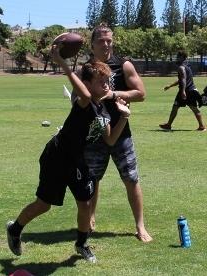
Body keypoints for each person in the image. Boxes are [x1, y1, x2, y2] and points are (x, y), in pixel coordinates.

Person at [6, 43, 131, 263]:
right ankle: (15, 229)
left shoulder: (103, 111)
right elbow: (82, 91)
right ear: (88, 85)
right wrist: (62, 63)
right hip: (56, 156)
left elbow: (110, 139)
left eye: (107, 81)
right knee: (44, 204)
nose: (107, 85)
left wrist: (123, 116)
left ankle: (81, 244)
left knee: (85, 203)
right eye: (101, 82)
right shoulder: (84, 102)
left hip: (77, 160)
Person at [72, 23, 153, 242]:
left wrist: (113, 94)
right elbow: (75, 98)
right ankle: (89, 219)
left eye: (109, 40)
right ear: (92, 44)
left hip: (121, 133)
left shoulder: (123, 65)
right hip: (94, 135)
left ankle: (140, 226)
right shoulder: (85, 69)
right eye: (101, 40)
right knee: (92, 179)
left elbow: (141, 93)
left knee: (131, 179)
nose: (106, 44)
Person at [159, 50, 206, 131]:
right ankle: (201, 126)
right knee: (180, 107)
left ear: (183, 58)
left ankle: (169, 125)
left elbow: (183, 79)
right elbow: (181, 80)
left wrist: (183, 91)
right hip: (190, 90)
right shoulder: (187, 67)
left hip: (186, 91)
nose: (177, 58)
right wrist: (170, 86)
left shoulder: (181, 68)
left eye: (178, 56)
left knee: (179, 107)